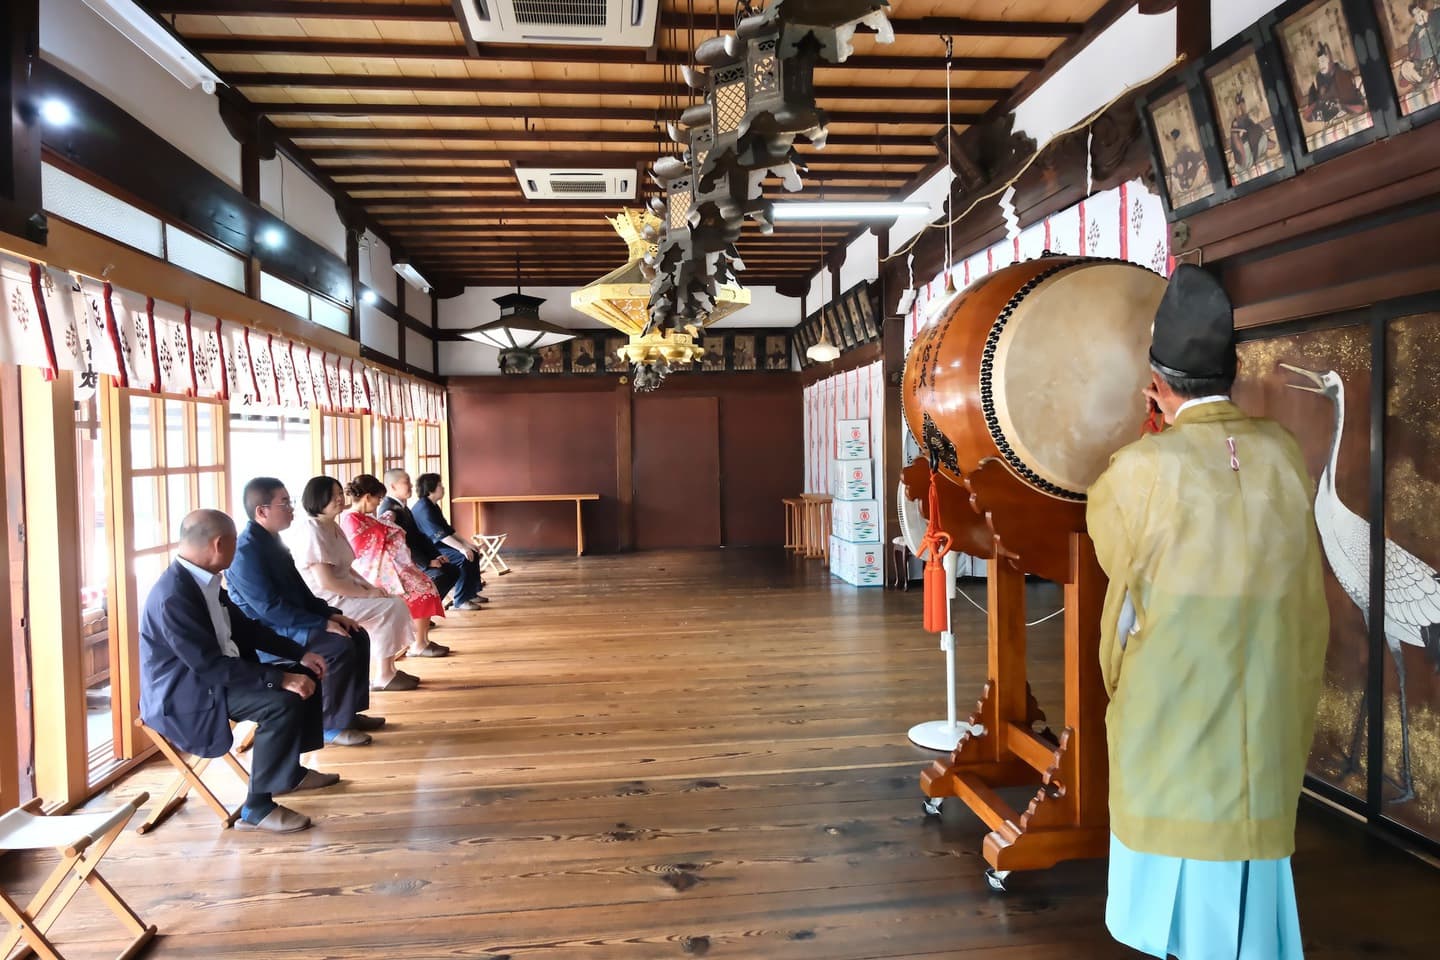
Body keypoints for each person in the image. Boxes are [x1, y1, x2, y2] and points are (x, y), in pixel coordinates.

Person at [1087, 264, 1329, 959]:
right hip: (1269, 712)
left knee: (1182, 895)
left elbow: (1119, 579)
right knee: (1249, 906)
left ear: (1155, 387)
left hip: (1181, 721)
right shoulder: (1285, 453)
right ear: (1232, 374)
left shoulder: (1135, 472)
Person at [139, 510, 339, 833]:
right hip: (187, 692)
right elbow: (208, 666)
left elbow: (247, 630)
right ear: (219, 544)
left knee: (306, 675)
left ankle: (290, 773)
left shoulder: (202, 580)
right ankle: (257, 809)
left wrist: (300, 655)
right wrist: (282, 678)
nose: (238, 548)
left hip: (216, 677)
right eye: (234, 542)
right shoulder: (174, 596)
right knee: (282, 702)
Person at [228, 477, 381, 746]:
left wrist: (330, 614)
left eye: (290, 501)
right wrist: (320, 625)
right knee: (337, 647)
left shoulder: (273, 541)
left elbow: (302, 593)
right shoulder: (246, 551)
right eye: (284, 503)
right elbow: (269, 609)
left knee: (356, 634)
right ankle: (331, 724)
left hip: (292, 620)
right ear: (261, 511)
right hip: (270, 632)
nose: (292, 508)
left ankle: (349, 713)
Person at [289, 476, 420, 692]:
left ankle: (389, 669)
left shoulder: (332, 525)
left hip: (346, 588)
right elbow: (326, 581)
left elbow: (348, 568)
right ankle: (384, 674)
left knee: (391, 600)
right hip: (327, 599)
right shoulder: (312, 530)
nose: (340, 499)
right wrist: (367, 594)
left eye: (341, 494)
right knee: (390, 608)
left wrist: (371, 588)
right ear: (317, 499)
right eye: (333, 496)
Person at [340, 474, 450, 658]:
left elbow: (381, 530)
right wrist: (386, 529)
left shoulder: (363, 516)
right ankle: (415, 644)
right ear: (367, 497)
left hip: (387, 567)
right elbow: (360, 548)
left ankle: (420, 641)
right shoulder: (351, 518)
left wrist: (386, 525)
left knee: (427, 588)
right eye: (377, 499)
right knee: (422, 591)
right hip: (372, 571)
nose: (378, 503)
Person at [379, 469, 460, 607]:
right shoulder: (389, 509)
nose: (411, 486)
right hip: (403, 564)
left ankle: (425, 613)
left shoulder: (403, 507)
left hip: (418, 558)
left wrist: (436, 556)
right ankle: (418, 612)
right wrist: (426, 563)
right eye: (406, 482)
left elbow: (419, 537)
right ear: (393, 486)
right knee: (440, 575)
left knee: (452, 570)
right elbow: (400, 545)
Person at [411, 473, 487, 611]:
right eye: (440, 485)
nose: (443, 488)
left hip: (439, 545)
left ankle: (471, 593)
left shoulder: (432, 506)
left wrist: (467, 544)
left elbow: (448, 530)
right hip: (429, 550)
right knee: (462, 558)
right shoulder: (424, 508)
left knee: (473, 552)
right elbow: (440, 536)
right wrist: (462, 549)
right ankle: (461, 599)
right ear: (430, 488)